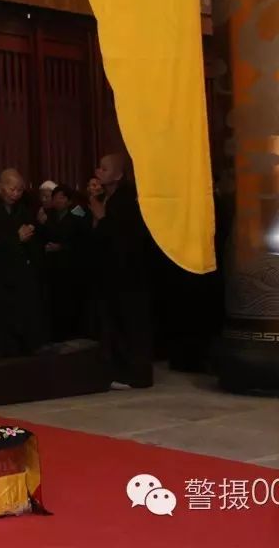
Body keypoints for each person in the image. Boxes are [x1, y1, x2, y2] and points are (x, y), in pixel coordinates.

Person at [90, 153, 154, 389]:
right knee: (115, 323)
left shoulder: (125, 200)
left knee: (130, 324)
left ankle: (134, 374)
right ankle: (119, 369)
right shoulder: (108, 198)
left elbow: (125, 238)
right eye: (99, 168)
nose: (99, 172)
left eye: (105, 169)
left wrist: (102, 218)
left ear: (118, 174)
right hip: (112, 274)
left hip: (128, 274)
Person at [0, 169, 45, 358]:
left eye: (20, 190)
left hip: (21, 280)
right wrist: (15, 238)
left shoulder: (24, 209)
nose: (15, 194)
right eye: (12, 189)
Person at [40, 184, 86, 341]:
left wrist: (62, 247)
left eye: (61, 197)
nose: (57, 200)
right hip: (52, 267)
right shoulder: (48, 215)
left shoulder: (78, 214)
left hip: (70, 267)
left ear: (68, 200)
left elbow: (82, 241)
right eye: (55, 197)